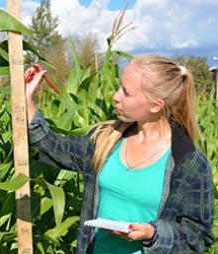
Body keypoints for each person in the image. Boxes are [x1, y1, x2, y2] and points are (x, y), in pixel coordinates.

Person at [25, 54, 215, 253]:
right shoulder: (107, 139)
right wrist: (27, 98)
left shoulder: (190, 164)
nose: (115, 96)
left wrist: (154, 233)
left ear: (155, 105)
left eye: (126, 92)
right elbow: (51, 147)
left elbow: (199, 235)